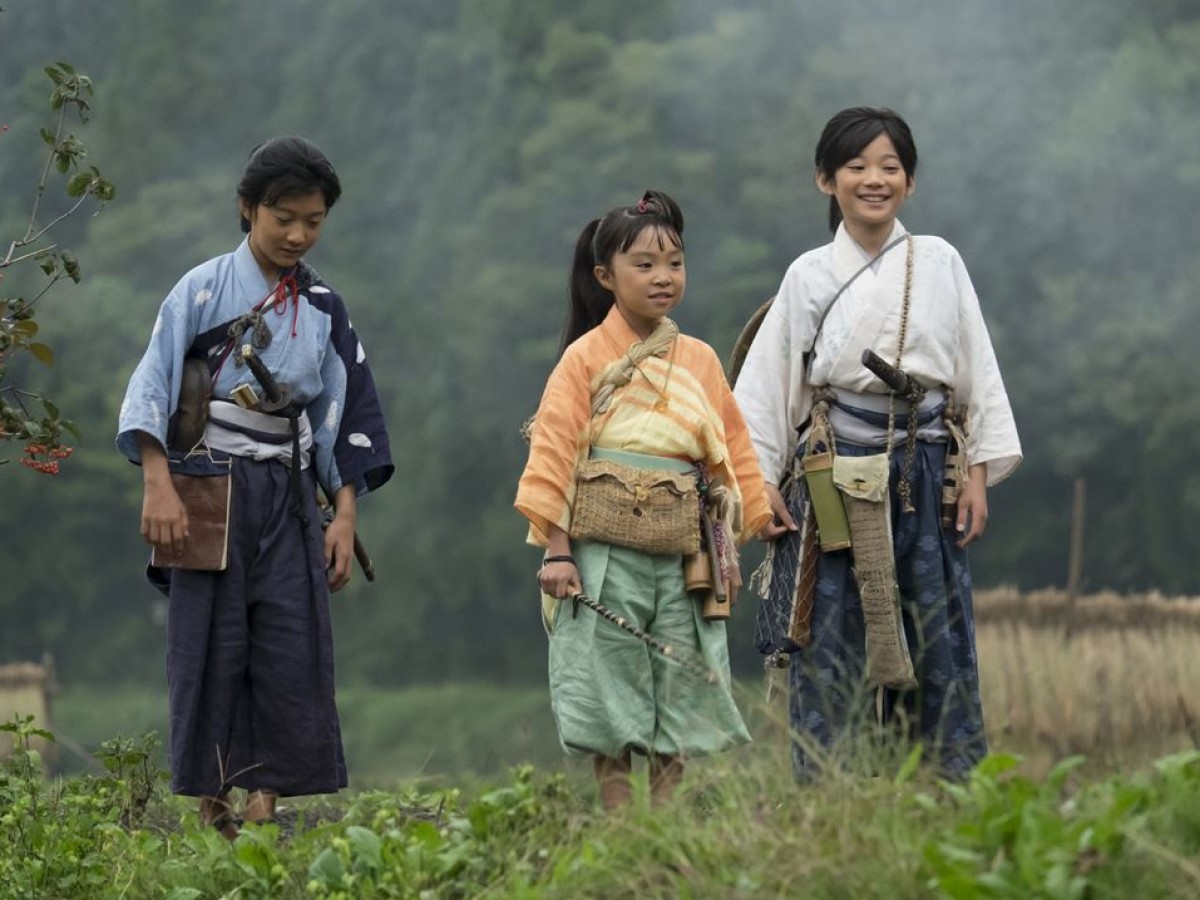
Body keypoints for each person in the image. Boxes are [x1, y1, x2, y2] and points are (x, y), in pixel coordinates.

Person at [116, 136, 393, 837]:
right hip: (206, 485)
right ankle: (214, 801)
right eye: (284, 217)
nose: (299, 234)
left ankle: (266, 797)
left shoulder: (325, 306)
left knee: (289, 640)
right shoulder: (200, 289)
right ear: (248, 209)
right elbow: (151, 384)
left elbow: (343, 410)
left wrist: (344, 514)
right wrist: (157, 482)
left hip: (292, 493)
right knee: (210, 640)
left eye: (314, 220)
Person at [733, 107, 1021, 780]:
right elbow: (770, 387)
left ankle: (945, 785)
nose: (874, 179)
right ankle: (830, 789)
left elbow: (976, 367)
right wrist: (759, 484)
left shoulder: (941, 260)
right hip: (835, 479)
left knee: (936, 632)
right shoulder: (807, 275)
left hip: (927, 475)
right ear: (825, 181)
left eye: (889, 167)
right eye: (857, 167)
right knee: (831, 633)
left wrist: (977, 471)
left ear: (910, 182)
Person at [515, 190, 772, 809]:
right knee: (608, 681)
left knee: (679, 680)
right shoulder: (582, 359)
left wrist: (755, 518)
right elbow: (553, 453)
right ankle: (620, 827)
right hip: (600, 551)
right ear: (605, 276)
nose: (664, 278)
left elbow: (730, 449)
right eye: (645, 264)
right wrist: (556, 551)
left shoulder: (701, 359)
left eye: (675, 263)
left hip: (683, 548)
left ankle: (663, 828)